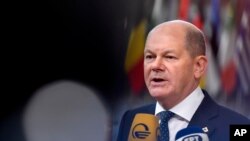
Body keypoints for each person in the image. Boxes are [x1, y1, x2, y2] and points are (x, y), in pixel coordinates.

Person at [116, 20, 250, 141]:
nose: (155, 66)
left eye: (169, 57)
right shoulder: (131, 119)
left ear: (198, 66)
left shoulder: (238, 127)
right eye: (150, 56)